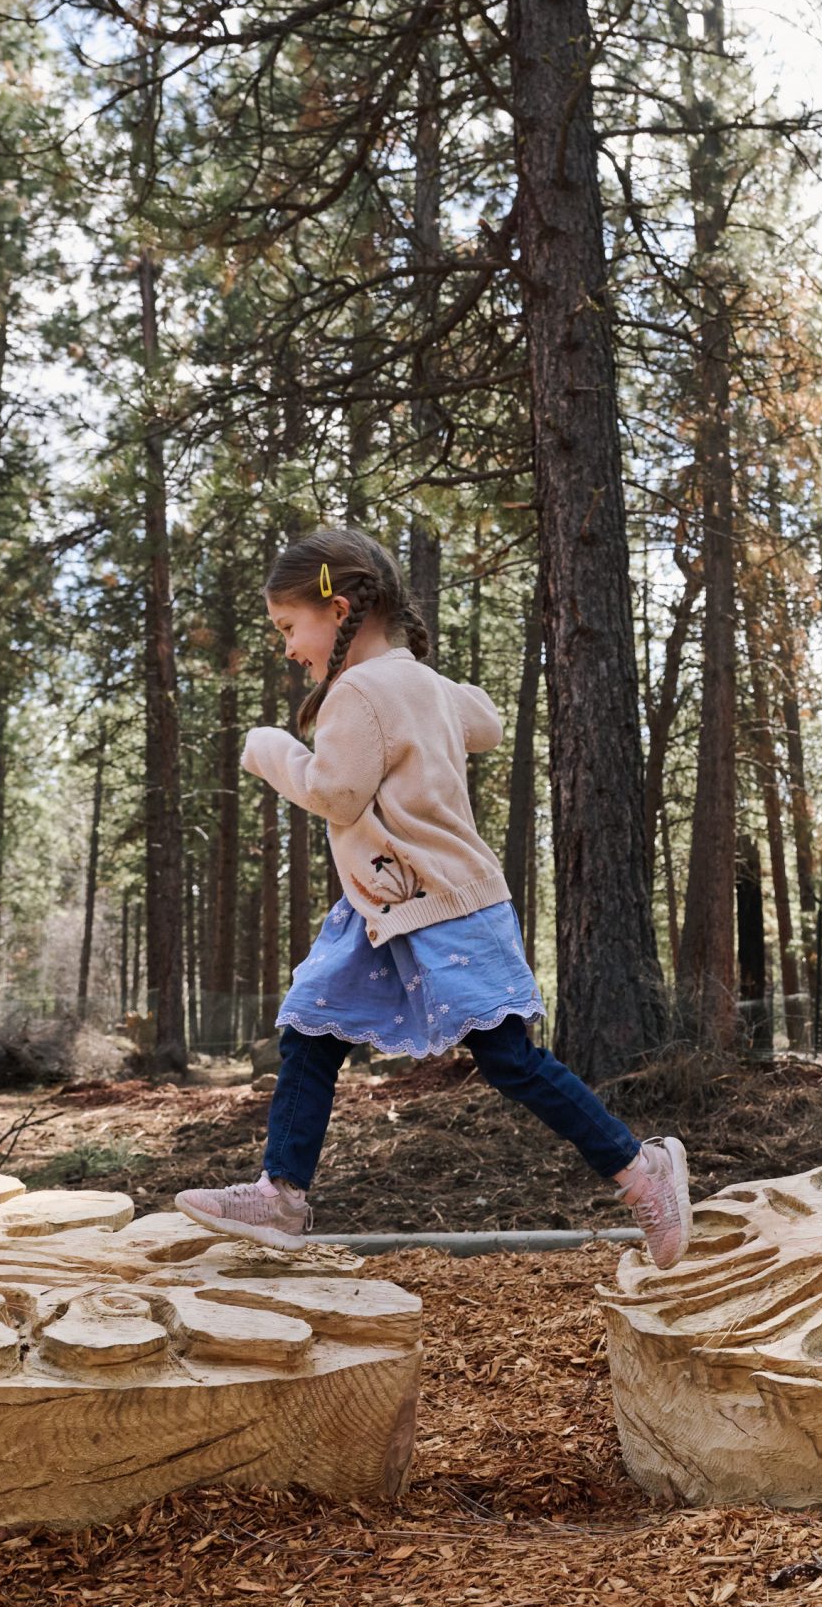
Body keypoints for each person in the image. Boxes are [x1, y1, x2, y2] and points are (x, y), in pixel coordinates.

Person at [175, 526, 694, 1267]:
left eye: (290, 627)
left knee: (508, 1057)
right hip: (382, 910)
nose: (288, 648)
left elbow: (337, 793)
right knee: (311, 1031)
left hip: (445, 903)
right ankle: (281, 1193)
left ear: (340, 607)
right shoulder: (410, 681)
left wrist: (270, 750)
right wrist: (424, 686)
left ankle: (645, 1173)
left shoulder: (355, 690)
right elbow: (483, 719)